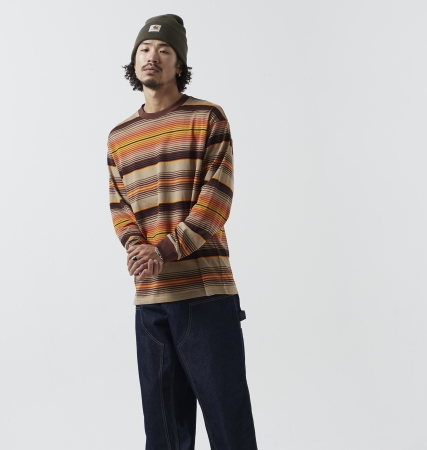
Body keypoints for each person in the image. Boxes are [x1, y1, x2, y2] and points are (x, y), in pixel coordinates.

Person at [107, 14, 258, 450]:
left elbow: (216, 200)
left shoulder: (207, 118)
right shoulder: (119, 137)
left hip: (205, 295)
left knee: (228, 425)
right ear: (134, 60)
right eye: (144, 49)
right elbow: (120, 207)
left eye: (164, 50)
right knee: (164, 435)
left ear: (179, 64)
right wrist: (139, 249)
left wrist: (164, 251)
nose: (151, 56)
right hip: (151, 302)